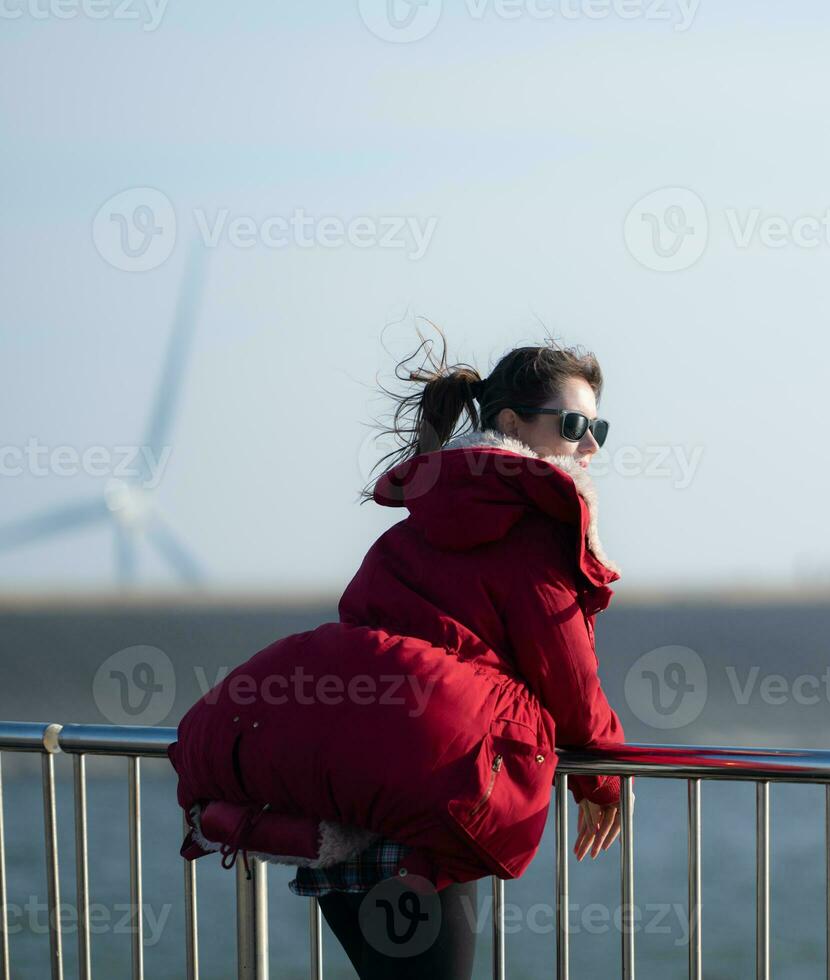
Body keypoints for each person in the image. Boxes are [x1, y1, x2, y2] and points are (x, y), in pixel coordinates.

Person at [168, 332, 629, 979]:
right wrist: (602, 778)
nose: (589, 446)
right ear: (511, 424)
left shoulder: (415, 524)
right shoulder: (536, 530)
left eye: (599, 428)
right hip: (427, 794)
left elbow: (364, 625)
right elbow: (569, 676)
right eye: (576, 424)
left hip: (344, 803)